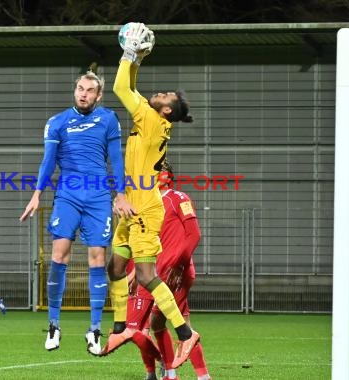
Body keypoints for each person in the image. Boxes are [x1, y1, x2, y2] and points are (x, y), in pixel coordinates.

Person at [100, 22, 199, 370]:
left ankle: (186, 334)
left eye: (166, 96)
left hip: (145, 206)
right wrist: (137, 58)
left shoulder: (153, 120)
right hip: (131, 202)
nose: (160, 93)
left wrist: (129, 53)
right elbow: (129, 84)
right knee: (114, 266)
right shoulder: (151, 118)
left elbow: (117, 86)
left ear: (167, 110)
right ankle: (118, 327)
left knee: (144, 275)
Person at [19, 70, 133, 354]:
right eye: (80, 89)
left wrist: (120, 194)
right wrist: (36, 195)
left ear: (98, 94)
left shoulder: (108, 119)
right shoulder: (57, 122)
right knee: (59, 255)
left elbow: (116, 160)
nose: (83, 94)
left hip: (97, 197)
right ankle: (54, 326)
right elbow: (48, 162)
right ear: (75, 91)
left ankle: (94, 330)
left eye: (90, 90)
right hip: (68, 195)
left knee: (97, 259)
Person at [124, 161, 212, 380]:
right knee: (158, 323)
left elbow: (194, 234)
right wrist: (134, 271)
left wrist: (180, 264)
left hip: (174, 271)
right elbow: (141, 242)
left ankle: (185, 374)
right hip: (155, 271)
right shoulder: (146, 204)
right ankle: (173, 373)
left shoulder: (178, 198)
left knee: (164, 324)